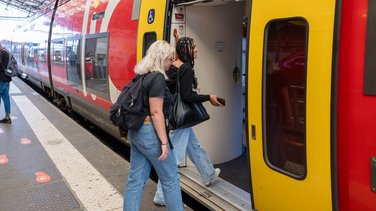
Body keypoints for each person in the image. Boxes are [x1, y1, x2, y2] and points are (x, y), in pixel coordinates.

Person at [153, 37, 223, 206]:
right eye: (194, 47)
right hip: (181, 118)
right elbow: (187, 96)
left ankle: (208, 173)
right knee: (173, 158)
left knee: (194, 146)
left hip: (174, 115)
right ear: (186, 50)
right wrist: (209, 97)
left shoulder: (173, 66)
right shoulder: (186, 69)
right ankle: (161, 196)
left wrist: (178, 39)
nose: (197, 49)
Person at [123, 40, 183, 211]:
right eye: (170, 59)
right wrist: (164, 142)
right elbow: (156, 112)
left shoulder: (142, 76)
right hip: (150, 133)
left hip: (136, 131)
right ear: (162, 58)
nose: (171, 63)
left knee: (135, 180)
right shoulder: (157, 78)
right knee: (170, 179)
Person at [0, 45, 12, 124]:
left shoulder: (1, 53)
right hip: (7, 77)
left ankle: (7, 118)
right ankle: (7, 117)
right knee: (6, 98)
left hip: (1, 79)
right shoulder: (7, 52)